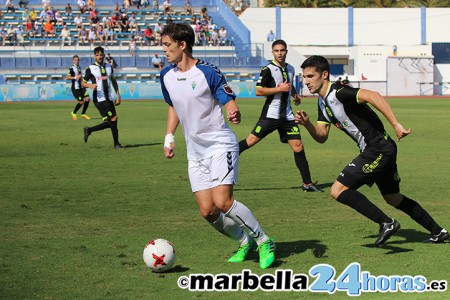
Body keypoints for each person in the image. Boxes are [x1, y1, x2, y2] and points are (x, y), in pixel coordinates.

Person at [295, 55, 449, 246]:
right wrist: (307, 123)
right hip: (381, 149)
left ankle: (387, 222)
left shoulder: (340, 92)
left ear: (324, 74)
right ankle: (439, 231)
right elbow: (321, 136)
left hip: (378, 149)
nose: (306, 81)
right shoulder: (322, 103)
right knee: (393, 198)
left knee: (337, 190)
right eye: (304, 77)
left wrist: (396, 124)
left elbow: (374, 96)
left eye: (310, 76)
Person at [160, 22, 275, 269]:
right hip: (195, 151)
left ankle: (264, 240)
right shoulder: (166, 75)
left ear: (182, 45)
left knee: (223, 202)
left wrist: (233, 110)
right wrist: (170, 136)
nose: (164, 50)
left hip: (220, 145)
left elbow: (228, 100)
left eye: (167, 45)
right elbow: (174, 106)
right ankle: (245, 242)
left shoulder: (208, 72)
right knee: (208, 211)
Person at [239, 40, 323, 193]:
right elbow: (259, 91)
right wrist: (279, 89)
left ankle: (307, 183)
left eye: (282, 50)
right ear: (272, 52)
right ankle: (225, 158)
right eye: (277, 50)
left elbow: (289, 86)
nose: (280, 53)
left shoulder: (290, 68)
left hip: (288, 117)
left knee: (298, 147)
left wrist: (294, 94)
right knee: (250, 141)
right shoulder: (268, 69)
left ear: (286, 52)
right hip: (270, 115)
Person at [82, 46, 123, 149]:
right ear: (94, 56)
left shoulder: (109, 67)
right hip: (99, 99)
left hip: (109, 98)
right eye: (97, 55)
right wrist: (90, 86)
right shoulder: (90, 68)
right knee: (113, 119)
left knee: (112, 121)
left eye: (101, 55)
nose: (99, 57)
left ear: (104, 55)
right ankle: (116, 144)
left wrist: (118, 95)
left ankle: (89, 130)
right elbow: (83, 83)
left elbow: (113, 81)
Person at [67, 55, 91, 121]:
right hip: (76, 88)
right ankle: (74, 113)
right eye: (75, 60)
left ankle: (83, 114)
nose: (76, 61)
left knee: (88, 99)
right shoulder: (71, 68)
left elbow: (80, 76)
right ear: (73, 61)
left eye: (77, 60)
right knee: (81, 102)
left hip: (81, 87)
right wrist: (75, 77)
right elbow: (68, 77)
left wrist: (84, 82)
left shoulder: (78, 67)